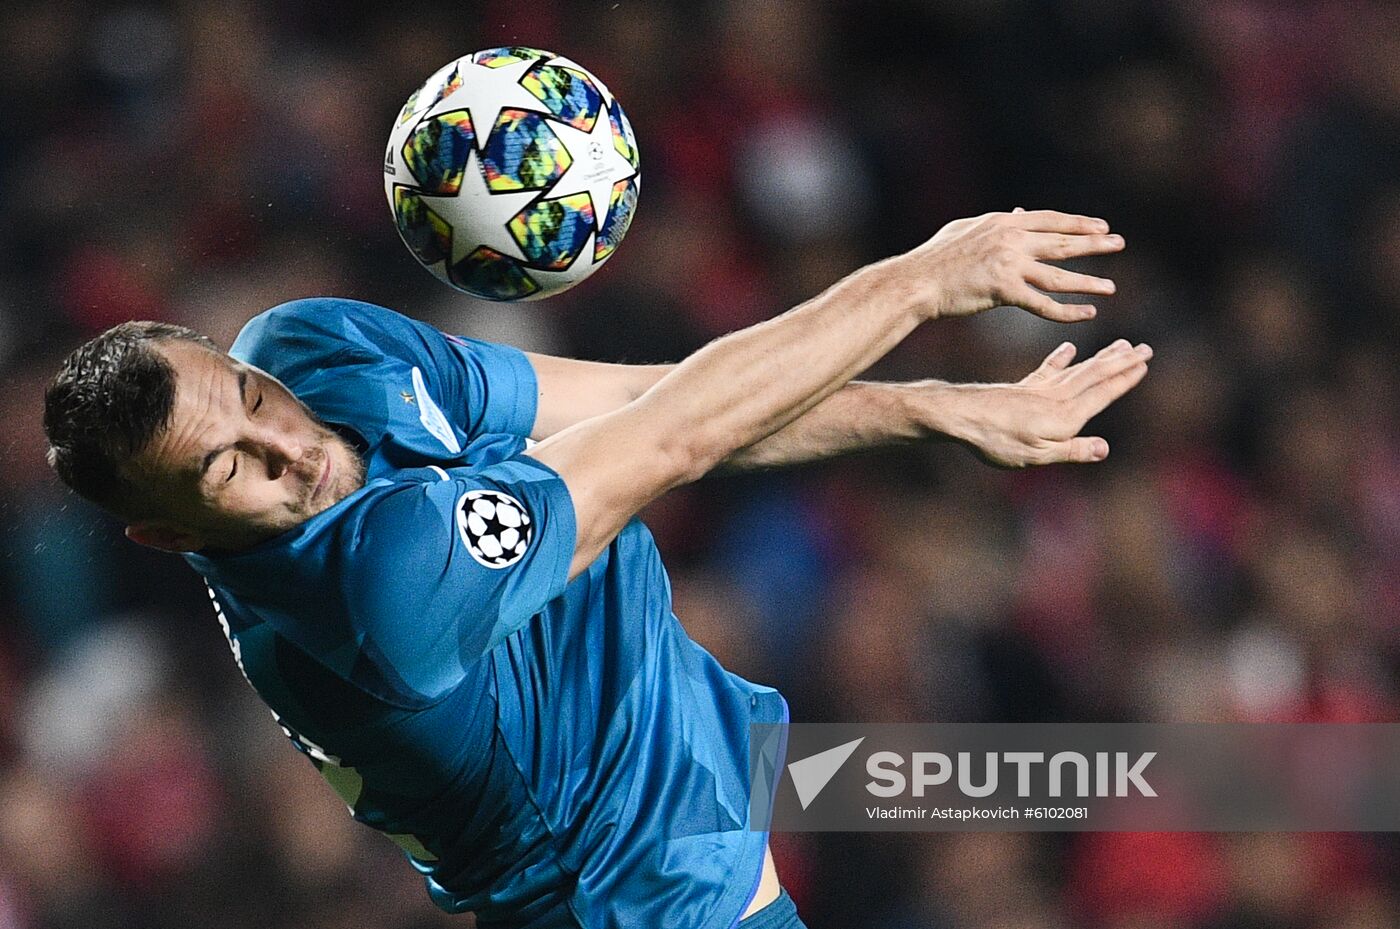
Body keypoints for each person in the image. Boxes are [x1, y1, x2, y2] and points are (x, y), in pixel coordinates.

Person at [42, 209, 1148, 929]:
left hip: (725, 778)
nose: (285, 442)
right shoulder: (376, 597)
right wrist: (915, 282)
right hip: (640, 899)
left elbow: (640, 398)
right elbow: (673, 438)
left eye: (245, 395)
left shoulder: (317, 347)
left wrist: (920, 407)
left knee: (1122, 774)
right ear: (172, 537)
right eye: (226, 466)